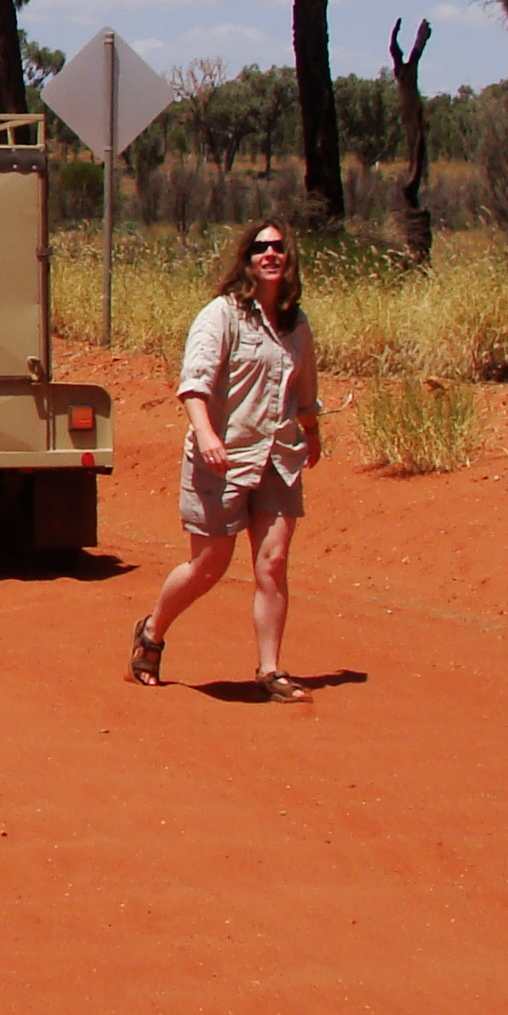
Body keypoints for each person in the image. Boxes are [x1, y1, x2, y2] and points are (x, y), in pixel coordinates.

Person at [131, 218, 321, 701]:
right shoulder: (222, 315)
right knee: (209, 564)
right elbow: (194, 383)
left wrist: (312, 433)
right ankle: (151, 633)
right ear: (246, 259)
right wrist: (207, 434)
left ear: (289, 257)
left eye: (278, 246)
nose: (270, 254)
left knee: (273, 563)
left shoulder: (297, 325)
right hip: (221, 459)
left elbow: (304, 391)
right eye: (260, 247)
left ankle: (270, 670)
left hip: (278, 457)